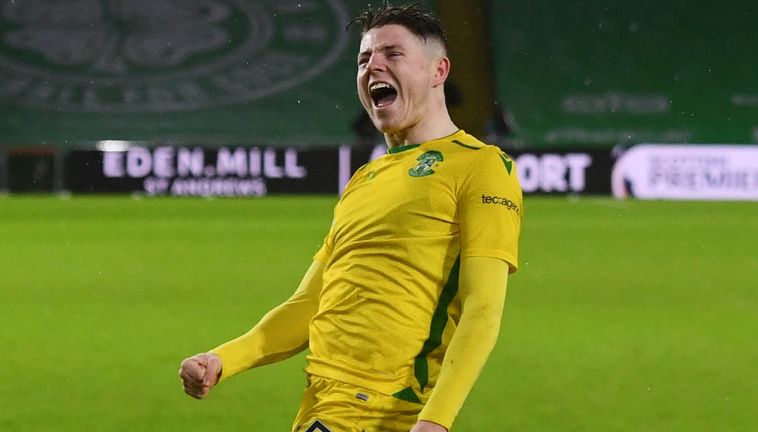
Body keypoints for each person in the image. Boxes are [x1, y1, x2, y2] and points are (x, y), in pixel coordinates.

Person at [179, 3, 523, 431]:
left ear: (438, 71)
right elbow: (308, 305)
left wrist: (436, 419)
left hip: (383, 407)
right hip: (325, 402)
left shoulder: (482, 166)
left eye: (392, 54)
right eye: (364, 58)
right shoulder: (365, 178)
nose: (373, 65)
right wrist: (222, 359)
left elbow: (483, 308)